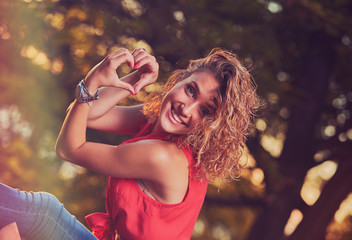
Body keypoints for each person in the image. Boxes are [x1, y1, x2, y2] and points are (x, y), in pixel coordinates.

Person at [0, 47, 259, 240]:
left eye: (205, 112)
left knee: (40, 213)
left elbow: (69, 147)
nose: (187, 108)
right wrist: (134, 80)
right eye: (191, 90)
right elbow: (84, 113)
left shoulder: (165, 157)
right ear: (180, 79)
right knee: (36, 215)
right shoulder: (157, 120)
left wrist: (92, 82)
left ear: (212, 127)